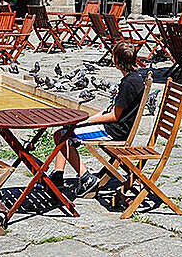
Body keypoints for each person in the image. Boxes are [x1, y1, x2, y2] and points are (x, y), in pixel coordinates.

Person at [50, 43, 146, 195]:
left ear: (117, 62)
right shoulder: (135, 79)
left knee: (63, 135)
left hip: (115, 131)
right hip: (116, 126)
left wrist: (86, 122)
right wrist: (88, 118)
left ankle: (85, 177)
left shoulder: (128, 84)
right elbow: (112, 109)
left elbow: (114, 115)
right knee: (62, 132)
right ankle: (57, 175)